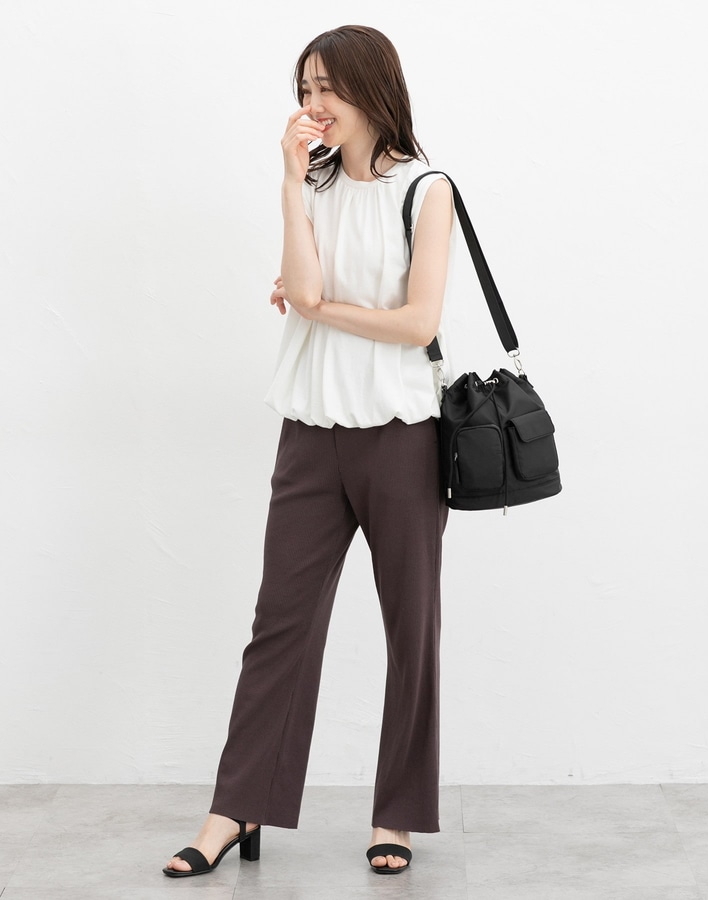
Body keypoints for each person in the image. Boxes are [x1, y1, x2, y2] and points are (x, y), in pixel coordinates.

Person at [163, 24, 454, 878]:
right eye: (304, 89)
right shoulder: (314, 184)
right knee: (279, 626)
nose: (313, 104)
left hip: (401, 434)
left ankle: (397, 815)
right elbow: (299, 283)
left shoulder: (427, 189)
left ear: (373, 88)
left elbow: (418, 322)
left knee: (411, 627)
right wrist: (291, 184)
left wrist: (319, 307)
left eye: (328, 87)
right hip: (311, 430)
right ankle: (235, 810)